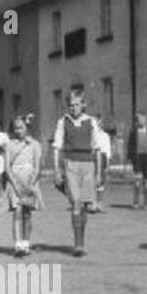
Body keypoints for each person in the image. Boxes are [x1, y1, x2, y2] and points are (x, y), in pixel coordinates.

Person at [51, 88, 104, 257]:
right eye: (70, 105)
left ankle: (82, 239)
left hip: (88, 164)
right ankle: (77, 244)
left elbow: (97, 148)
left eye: (77, 104)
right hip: (71, 163)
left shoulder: (91, 122)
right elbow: (57, 147)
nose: (73, 108)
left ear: (83, 105)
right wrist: (57, 169)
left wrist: (99, 174)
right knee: (75, 201)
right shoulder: (63, 122)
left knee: (84, 204)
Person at [3, 115, 44, 257]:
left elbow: (38, 167)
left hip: (29, 180)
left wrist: (31, 183)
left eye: (21, 128)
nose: (19, 131)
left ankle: (26, 243)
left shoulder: (35, 145)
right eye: (16, 128)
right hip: (15, 179)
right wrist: (14, 183)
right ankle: (17, 244)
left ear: (27, 128)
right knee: (17, 211)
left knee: (27, 213)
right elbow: (7, 167)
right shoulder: (9, 145)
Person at [126, 113, 147, 210]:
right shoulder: (133, 132)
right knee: (137, 181)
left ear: (146, 120)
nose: (141, 121)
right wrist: (131, 159)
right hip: (137, 158)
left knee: (146, 181)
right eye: (139, 119)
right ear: (137, 121)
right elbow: (130, 146)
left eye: (143, 119)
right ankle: (136, 202)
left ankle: (146, 203)